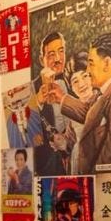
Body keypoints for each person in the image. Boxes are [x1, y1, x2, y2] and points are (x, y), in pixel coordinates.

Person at [51, 33, 111, 173]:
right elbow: (88, 114)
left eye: (91, 64)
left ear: (106, 63)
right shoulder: (108, 92)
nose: (89, 71)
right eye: (75, 81)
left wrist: (89, 178)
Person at [28, 32, 76, 176]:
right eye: (51, 55)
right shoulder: (31, 89)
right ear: (41, 59)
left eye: (61, 52)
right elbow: (19, 132)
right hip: (46, 169)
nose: (57, 59)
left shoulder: (76, 84)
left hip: (76, 165)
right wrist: (38, 101)